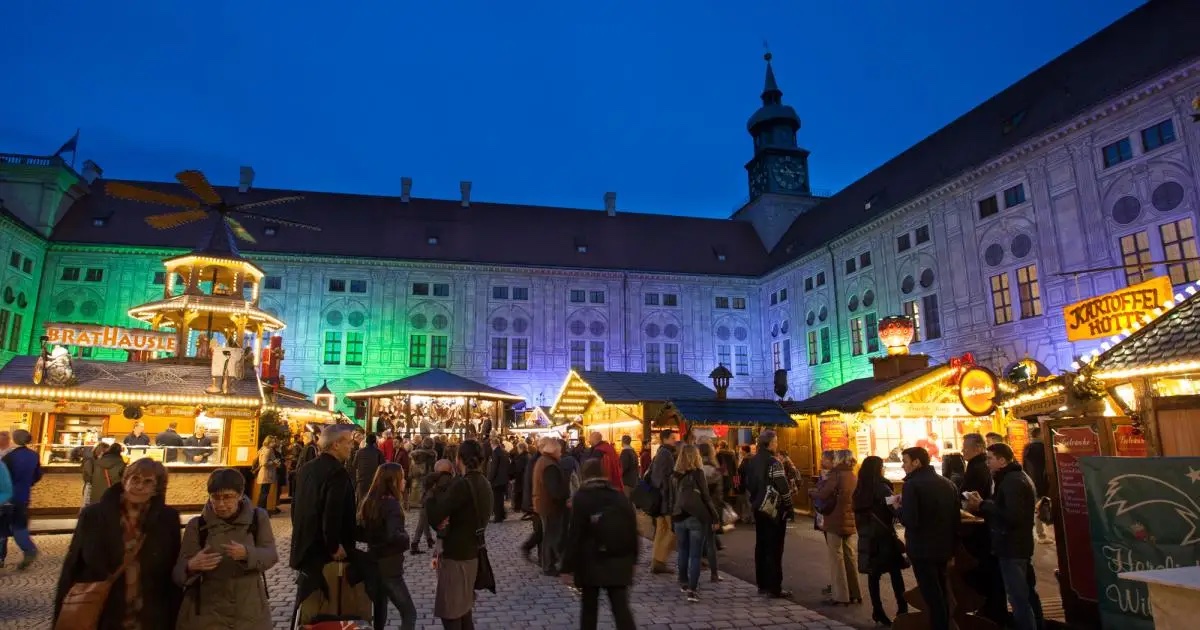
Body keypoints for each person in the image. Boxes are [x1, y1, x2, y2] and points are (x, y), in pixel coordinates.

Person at [53, 459, 182, 629]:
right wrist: (60, 615)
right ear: (125, 480)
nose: (139, 486)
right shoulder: (94, 515)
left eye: (147, 482)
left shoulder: (167, 519)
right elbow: (72, 565)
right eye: (135, 479)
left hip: (149, 614)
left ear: (156, 489)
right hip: (104, 611)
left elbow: (172, 570)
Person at [175, 468, 278, 629]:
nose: (221, 504)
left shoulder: (258, 518)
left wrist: (247, 554)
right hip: (208, 614)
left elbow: (270, 555)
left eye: (228, 497)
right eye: (215, 498)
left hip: (249, 610)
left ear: (240, 494)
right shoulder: (197, 526)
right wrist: (191, 566)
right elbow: (178, 572)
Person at [967, 443, 1044, 630]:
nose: (987, 463)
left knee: (1018, 597)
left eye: (990, 458)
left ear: (1002, 460)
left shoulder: (1012, 481)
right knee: (1025, 593)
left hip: (1012, 547)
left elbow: (1012, 516)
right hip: (1017, 545)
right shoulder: (1013, 478)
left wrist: (983, 505)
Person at [561, 459, 639, 630]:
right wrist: (634, 559)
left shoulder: (582, 498)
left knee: (589, 609)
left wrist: (566, 567)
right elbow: (633, 530)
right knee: (621, 608)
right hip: (619, 559)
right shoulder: (619, 496)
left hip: (591, 561)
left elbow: (574, 534)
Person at [289, 424, 358, 611]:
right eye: (349, 443)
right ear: (336, 445)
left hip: (306, 545)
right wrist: (334, 545)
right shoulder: (337, 472)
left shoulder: (306, 469)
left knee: (305, 602)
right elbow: (332, 512)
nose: (352, 447)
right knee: (323, 606)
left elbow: (295, 508)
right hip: (324, 551)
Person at [425, 439, 492, 630]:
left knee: (451, 612)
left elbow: (435, 516)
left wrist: (430, 493)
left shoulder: (462, 485)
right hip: (472, 553)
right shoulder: (484, 482)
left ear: (459, 459)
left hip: (456, 556)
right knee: (463, 611)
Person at [897, 447, 960, 630]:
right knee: (942, 590)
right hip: (944, 547)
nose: (903, 465)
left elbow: (910, 520)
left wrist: (898, 509)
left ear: (917, 462)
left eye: (906, 461)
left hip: (922, 549)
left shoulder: (912, 485)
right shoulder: (947, 483)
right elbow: (955, 519)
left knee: (932, 596)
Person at [358, 463, 417, 630]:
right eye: (402, 478)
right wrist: (405, 538)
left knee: (380, 611)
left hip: (374, 560)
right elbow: (393, 535)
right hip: (390, 566)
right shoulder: (391, 505)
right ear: (393, 481)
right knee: (409, 613)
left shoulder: (371, 501)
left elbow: (363, 532)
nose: (404, 481)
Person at [852, 456, 909, 626]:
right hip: (884, 537)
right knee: (895, 573)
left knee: (873, 575)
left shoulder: (860, 489)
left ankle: (878, 610)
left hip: (867, 536)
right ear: (878, 469)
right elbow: (895, 510)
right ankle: (902, 608)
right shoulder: (883, 488)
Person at [744, 430, 793, 599]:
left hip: (758, 507)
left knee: (761, 545)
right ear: (770, 443)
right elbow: (783, 486)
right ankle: (775, 586)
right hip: (774, 509)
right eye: (776, 441)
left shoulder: (752, 461)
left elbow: (747, 483)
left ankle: (762, 583)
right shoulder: (774, 462)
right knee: (775, 548)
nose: (777, 444)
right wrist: (789, 505)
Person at [812, 449, 862, 606]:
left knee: (836, 558)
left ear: (839, 460)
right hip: (850, 518)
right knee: (850, 556)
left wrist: (813, 492)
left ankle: (840, 596)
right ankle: (855, 592)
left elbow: (824, 494)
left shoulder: (836, 474)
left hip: (835, 519)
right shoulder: (853, 475)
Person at [670, 444, 719, 603]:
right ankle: (692, 589)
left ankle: (683, 581)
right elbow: (705, 497)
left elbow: (672, 499)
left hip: (678, 516)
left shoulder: (674, 475)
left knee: (682, 551)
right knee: (695, 554)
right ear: (696, 456)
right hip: (696, 516)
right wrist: (715, 516)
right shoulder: (698, 473)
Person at [1, 429, 42, 570]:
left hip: (6, 497)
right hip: (23, 496)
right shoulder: (33, 456)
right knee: (19, 526)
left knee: (2, 529)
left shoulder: (9, 457)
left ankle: (0, 559)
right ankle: (29, 549)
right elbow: (37, 475)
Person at [532, 436, 570, 575]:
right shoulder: (549, 465)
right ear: (553, 450)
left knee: (549, 535)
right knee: (551, 536)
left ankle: (549, 563)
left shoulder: (544, 461)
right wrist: (565, 497)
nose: (561, 453)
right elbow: (554, 489)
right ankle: (549, 565)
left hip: (545, 504)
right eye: (559, 451)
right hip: (550, 506)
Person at [648, 429, 679, 574]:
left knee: (661, 530)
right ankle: (660, 561)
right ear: (665, 439)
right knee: (672, 531)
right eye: (673, 438)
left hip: (658, 499)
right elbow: (666, 480)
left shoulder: (660, 453)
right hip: (665, 500)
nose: (675, 441)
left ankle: (656, 560)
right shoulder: (667, 455)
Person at [1021, 426, 1052, 544]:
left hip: (1031, 481)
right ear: (1039, 435)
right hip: (1041, 482)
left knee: (1037, 506)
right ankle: (1041, 535)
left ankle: (1039, 534)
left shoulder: (1027, 447)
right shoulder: (1043, 448)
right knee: (1041, 507)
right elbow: (1043, 468)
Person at [353, 433, 387, 501]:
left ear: (366, 441)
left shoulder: (359, 452)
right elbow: (383, 466)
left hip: (362, 480)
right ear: (375, 442)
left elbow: (354, 465)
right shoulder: (378, 452)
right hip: (374, 480)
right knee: (373, 501)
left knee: (361, 501)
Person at [485, 437, 510, 523]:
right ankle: (502, 514)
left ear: (492, 444)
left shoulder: (495, 453)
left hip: (497, 480)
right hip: (503, 479)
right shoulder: (504, 452)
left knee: (497, 499)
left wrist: (489, 479)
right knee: (500, 498)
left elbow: (494, 468)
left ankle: (498, 517)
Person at [254, 436, 281, 510]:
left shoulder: (263, 448)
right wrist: (274, 462)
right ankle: (261, 509)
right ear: (268, 442)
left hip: (264, 473)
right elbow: (264, 463)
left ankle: (261, 509)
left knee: (263, 492)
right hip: (266, 473)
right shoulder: (268, 450)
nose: (274, 443)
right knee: (264, 493)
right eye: (272, 442)